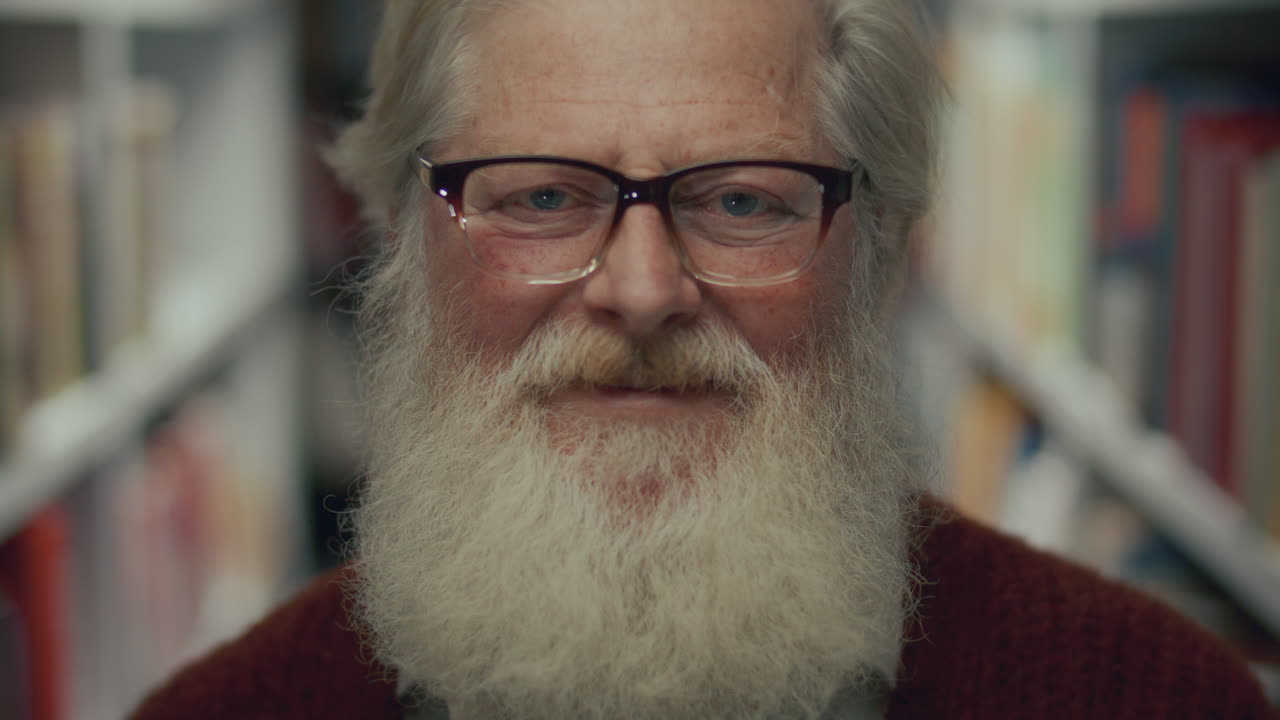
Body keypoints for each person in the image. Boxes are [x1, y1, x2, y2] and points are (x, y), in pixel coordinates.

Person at [132, 0, 1274, 718]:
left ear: (881, 257)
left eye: (741, 201)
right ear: (398, 236)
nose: (641, 293)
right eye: (542, 198)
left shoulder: (1154, 698)